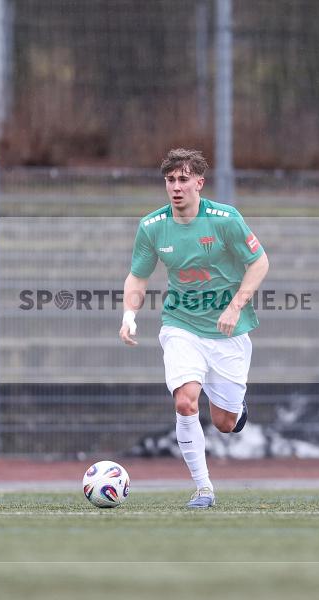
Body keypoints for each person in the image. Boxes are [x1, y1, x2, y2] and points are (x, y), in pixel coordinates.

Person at [120, 148, 269, 508]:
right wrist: (129, 314)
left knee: (224, 423)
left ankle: (235, 410)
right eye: (170, 180)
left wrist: (235, 307)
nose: (176, 186)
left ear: (199, 183)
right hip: (181, 326)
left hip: (228, 332)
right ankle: (203, 489)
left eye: (184, 179)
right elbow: (138, 276)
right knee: (185, 402)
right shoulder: (153, 226)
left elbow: (260, 262)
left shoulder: (225, 219)